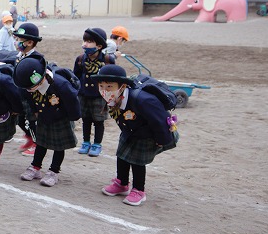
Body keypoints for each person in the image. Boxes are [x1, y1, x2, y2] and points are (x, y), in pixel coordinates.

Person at [93, 64, 178, 206]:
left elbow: (160, 122)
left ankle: (139, 190)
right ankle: (122, 183)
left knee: (137, 161)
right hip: (131, 130)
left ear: (122, 86)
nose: (104, 90)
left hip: (149, 133)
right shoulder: (113, 98)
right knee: (122, 155)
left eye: (109, 86)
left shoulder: (142, 100)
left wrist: (161, 141)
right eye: (101, 86)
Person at [14, 55, 81, 186]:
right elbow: (29, 98)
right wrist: (35, 111)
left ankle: (53, 171)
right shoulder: (30, 86)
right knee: (41, 143)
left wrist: (73, 117)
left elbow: (72, 102)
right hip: (43, 116)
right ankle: (35, 167)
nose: (29, 90)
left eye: (30, 87)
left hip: (61, 118)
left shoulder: (61, 84)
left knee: (59, 146)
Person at [73, 28, 115, 157]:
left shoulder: (107, 60)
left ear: (99, 46)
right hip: (84, 94)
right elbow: (75, 76)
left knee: (98, 121)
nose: (85, 44)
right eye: (84, 40)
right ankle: (86, 142)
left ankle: (97, 144)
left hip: (99, 95)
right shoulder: (80, 59)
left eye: (89, 41)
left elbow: (112, 79)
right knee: (86, 119)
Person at [12, 23, 43, 156]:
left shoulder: (36, 59)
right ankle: (29, 138)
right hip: (20, 95)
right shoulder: (19, 56)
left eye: (19, 40)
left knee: (32, 121)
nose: (16, 42)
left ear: (30, 42)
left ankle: (37, 144)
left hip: (31, 98)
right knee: (20, 120)